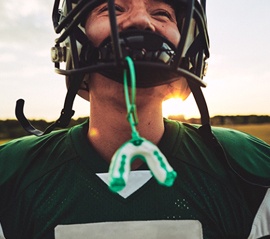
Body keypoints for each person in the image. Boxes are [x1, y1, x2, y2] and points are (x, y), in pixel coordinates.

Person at [0, 0, 269, 238]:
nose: (141, 20)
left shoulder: (250, 172)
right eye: (113, 8)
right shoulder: (11, 175)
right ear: (75, 42)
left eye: (161, 12)